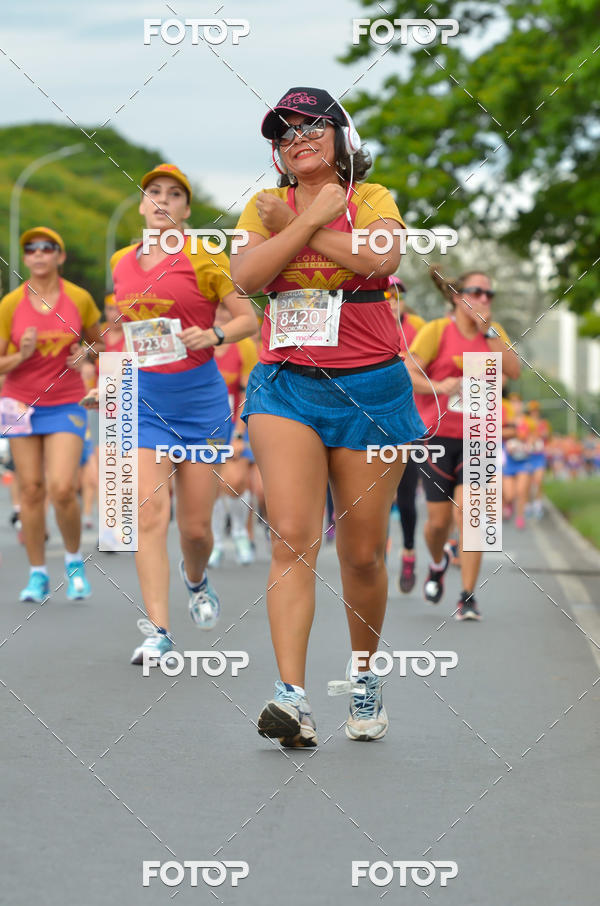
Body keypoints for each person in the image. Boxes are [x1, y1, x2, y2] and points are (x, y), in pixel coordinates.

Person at [231, 86, 425, 746]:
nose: (297, 138)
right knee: (290, 535)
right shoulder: (263, 207)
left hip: (371, 390)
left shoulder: (373, 200)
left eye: (313, 125)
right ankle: (292, 698)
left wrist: (311, 223)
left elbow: (380, 260)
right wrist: (307, 219)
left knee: (363, 553)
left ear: (343, 138)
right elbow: (248, 277)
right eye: (283, 133)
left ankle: (365, 675)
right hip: (286, 387)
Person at [109, 164, 256, 664]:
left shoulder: (204, 257)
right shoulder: (121, 263)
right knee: (149, 513)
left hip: (201, 405)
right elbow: (129, 336)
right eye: (154, 193)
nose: (163, 201)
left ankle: (196, 579)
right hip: (145, 400)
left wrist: (213, 335)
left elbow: (247, 318)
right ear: (142, 204)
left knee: (195, 529)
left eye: (174, 195)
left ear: (187, 209)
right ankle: (157, 628)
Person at [406, 264, 520, 620]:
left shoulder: (494, 333)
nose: (484, 300)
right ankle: (438, 562)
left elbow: (513, 371)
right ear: (458, 297)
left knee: (475, 516)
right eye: (476, 293)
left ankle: (468, 596)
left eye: (489, 294)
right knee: (438, 523)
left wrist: (489, 336)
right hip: (437, 435)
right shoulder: (437, 331)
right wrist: (439, 386)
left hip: (480, 434)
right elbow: (407, 372)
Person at [0, 227, 103, 602]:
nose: (39, 254)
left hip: (65, 402)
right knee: (30, 490)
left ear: (59, 257)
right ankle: (38, 573)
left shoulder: (78, 298)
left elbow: (100, 340)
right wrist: (21, 355)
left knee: (61, 487)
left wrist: (86, 354)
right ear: (26, 258)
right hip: (20, 403)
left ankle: (74, 563)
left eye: (48, 248)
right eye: (31, 249)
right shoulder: (11, 304)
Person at [209, 304, 259, 566]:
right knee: (212, 483)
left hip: (235, 422)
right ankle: (216, 541)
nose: (220, 316)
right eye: (215, 311)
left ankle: (240, 531)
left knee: (235, 480)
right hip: (206, 422)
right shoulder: (200, 342)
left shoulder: (244, 347)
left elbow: (246, 393)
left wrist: (239, 434)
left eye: (225, 311)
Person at [386, 276, 425, 593]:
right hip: (372, 420)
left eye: (397, 294)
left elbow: (427, 371)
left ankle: (409, 551)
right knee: (375, 496)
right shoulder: (365, 324)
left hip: (408, 421)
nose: (392, 300)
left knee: (407, 496)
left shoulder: (419, 330)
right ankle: (377, 553)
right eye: (386, 294)